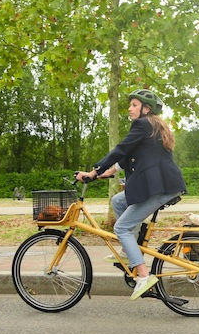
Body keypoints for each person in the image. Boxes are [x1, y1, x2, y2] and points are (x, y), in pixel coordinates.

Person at [76, 89, 187, 300]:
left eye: (134, 105)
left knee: (121, 227)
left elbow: (121, 149)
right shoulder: (152, 127)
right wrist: (107, 172)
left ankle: (144, 276)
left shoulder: (143, 124)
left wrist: (94, 171)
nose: (130, 108)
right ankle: (130, 251)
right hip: (161, 184)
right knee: (118, 201)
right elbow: (132, 155)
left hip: (159, 188)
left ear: (146, 109)